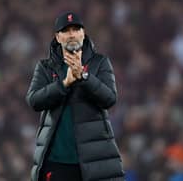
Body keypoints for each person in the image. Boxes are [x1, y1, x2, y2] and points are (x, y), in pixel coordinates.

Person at [26, 12, 124, 181]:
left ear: (83, 33)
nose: (71, 34)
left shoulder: (99, 63)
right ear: (58, 37)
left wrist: (84, 77)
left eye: (76, 29)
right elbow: (34, 100)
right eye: (66, 31)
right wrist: (64, 84)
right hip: (56, 161)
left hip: (93, 161)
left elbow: (109, 98)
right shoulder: (45, 67)